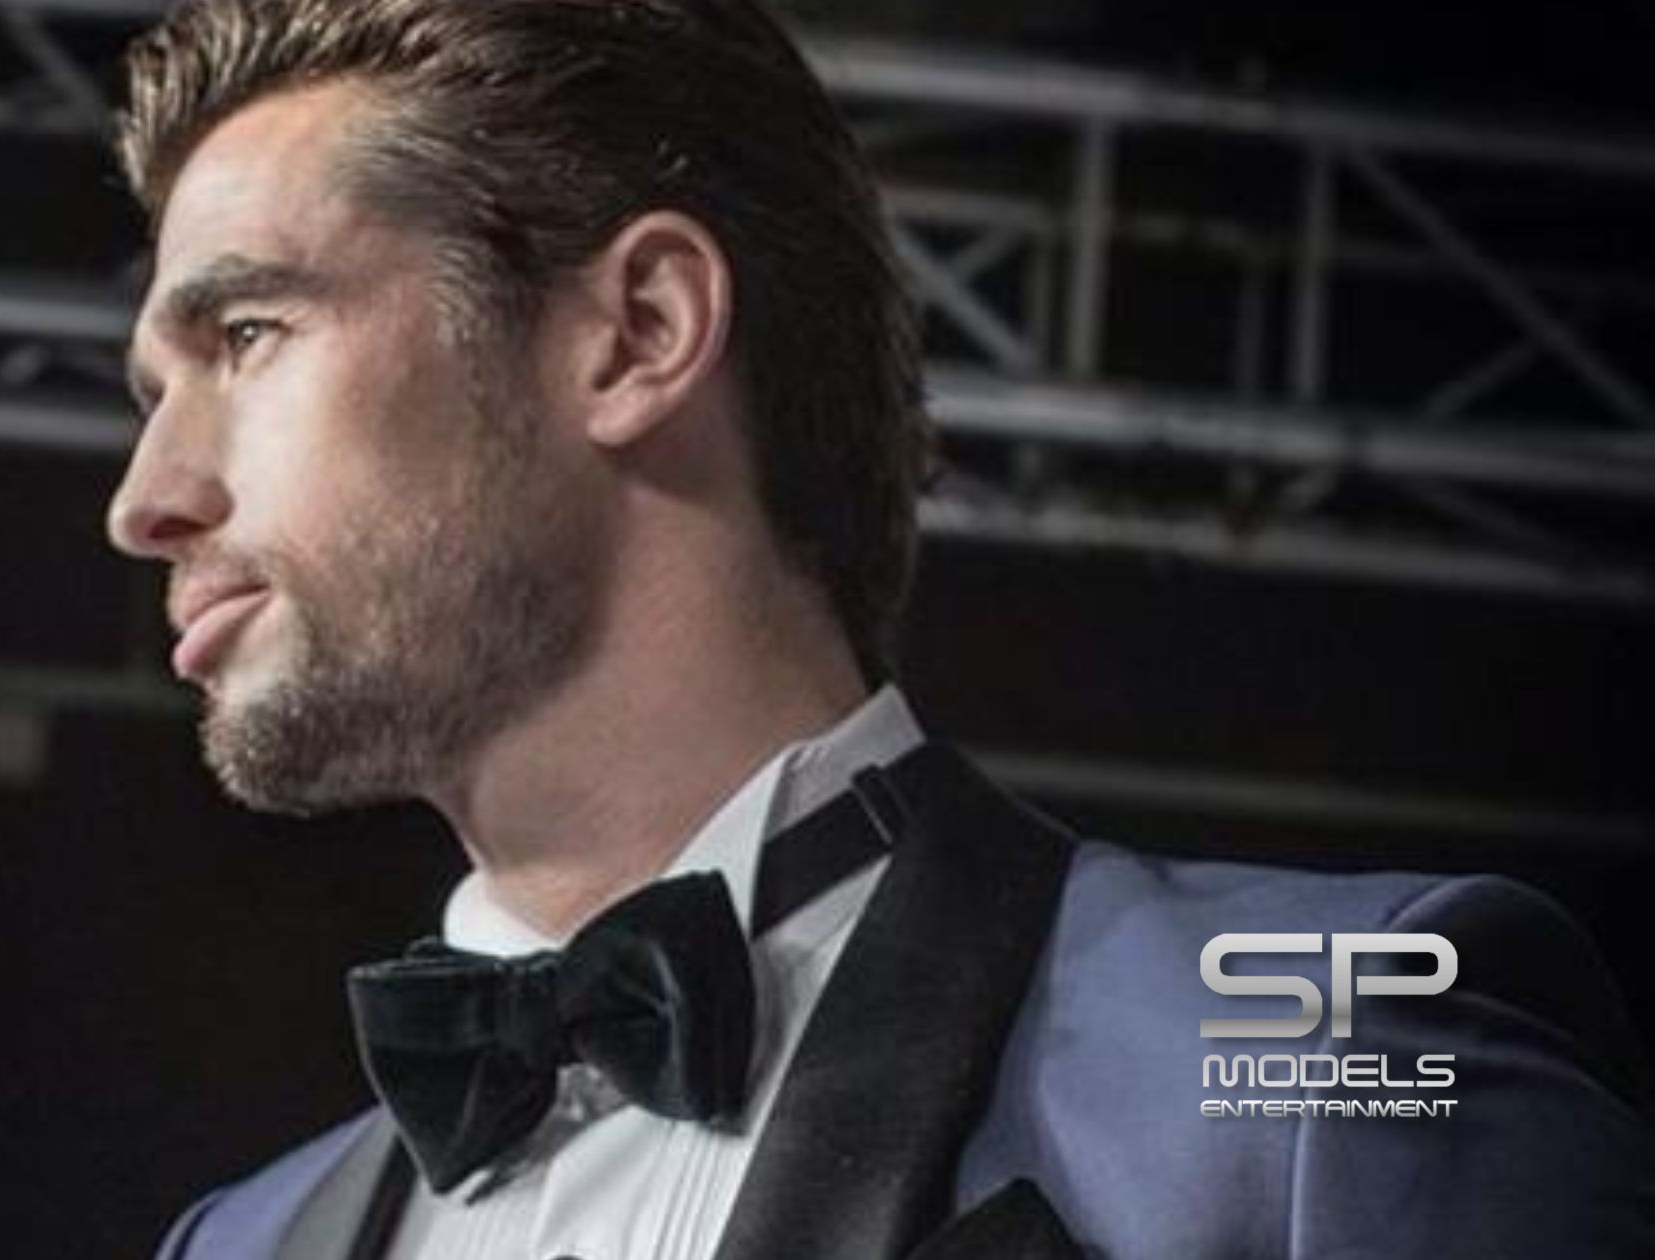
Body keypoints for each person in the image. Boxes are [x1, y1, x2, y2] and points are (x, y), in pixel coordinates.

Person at [102, 1, 1655, 1257]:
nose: (145, 500)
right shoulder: (236, 1243)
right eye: (150, 397)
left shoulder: (1334, 1058)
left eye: (249, 334)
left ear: (637, 333)